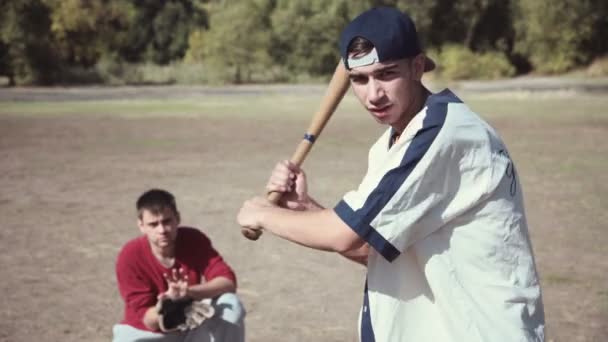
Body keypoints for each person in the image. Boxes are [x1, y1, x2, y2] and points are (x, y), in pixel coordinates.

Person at [237, 6, 544, 342]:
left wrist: (262, 212)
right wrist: (306, 210)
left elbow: (344, 235)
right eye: (359, 79)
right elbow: (375, 248)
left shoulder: (442, 133)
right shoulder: (395, 141)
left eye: (386, 74)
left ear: (416, 67)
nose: (373, 94)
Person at [113, 189, 245, 342]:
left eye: (167, 221)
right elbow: (146, 319)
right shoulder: (130, 255)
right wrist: (166, 307)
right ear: (141, 226)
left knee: (230, 303)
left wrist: (188, 293)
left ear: (177, 218)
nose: (162, 230)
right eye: (153, 224)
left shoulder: (193, 239)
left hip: (190, 326)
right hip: (146, 333)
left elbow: (228, 282)